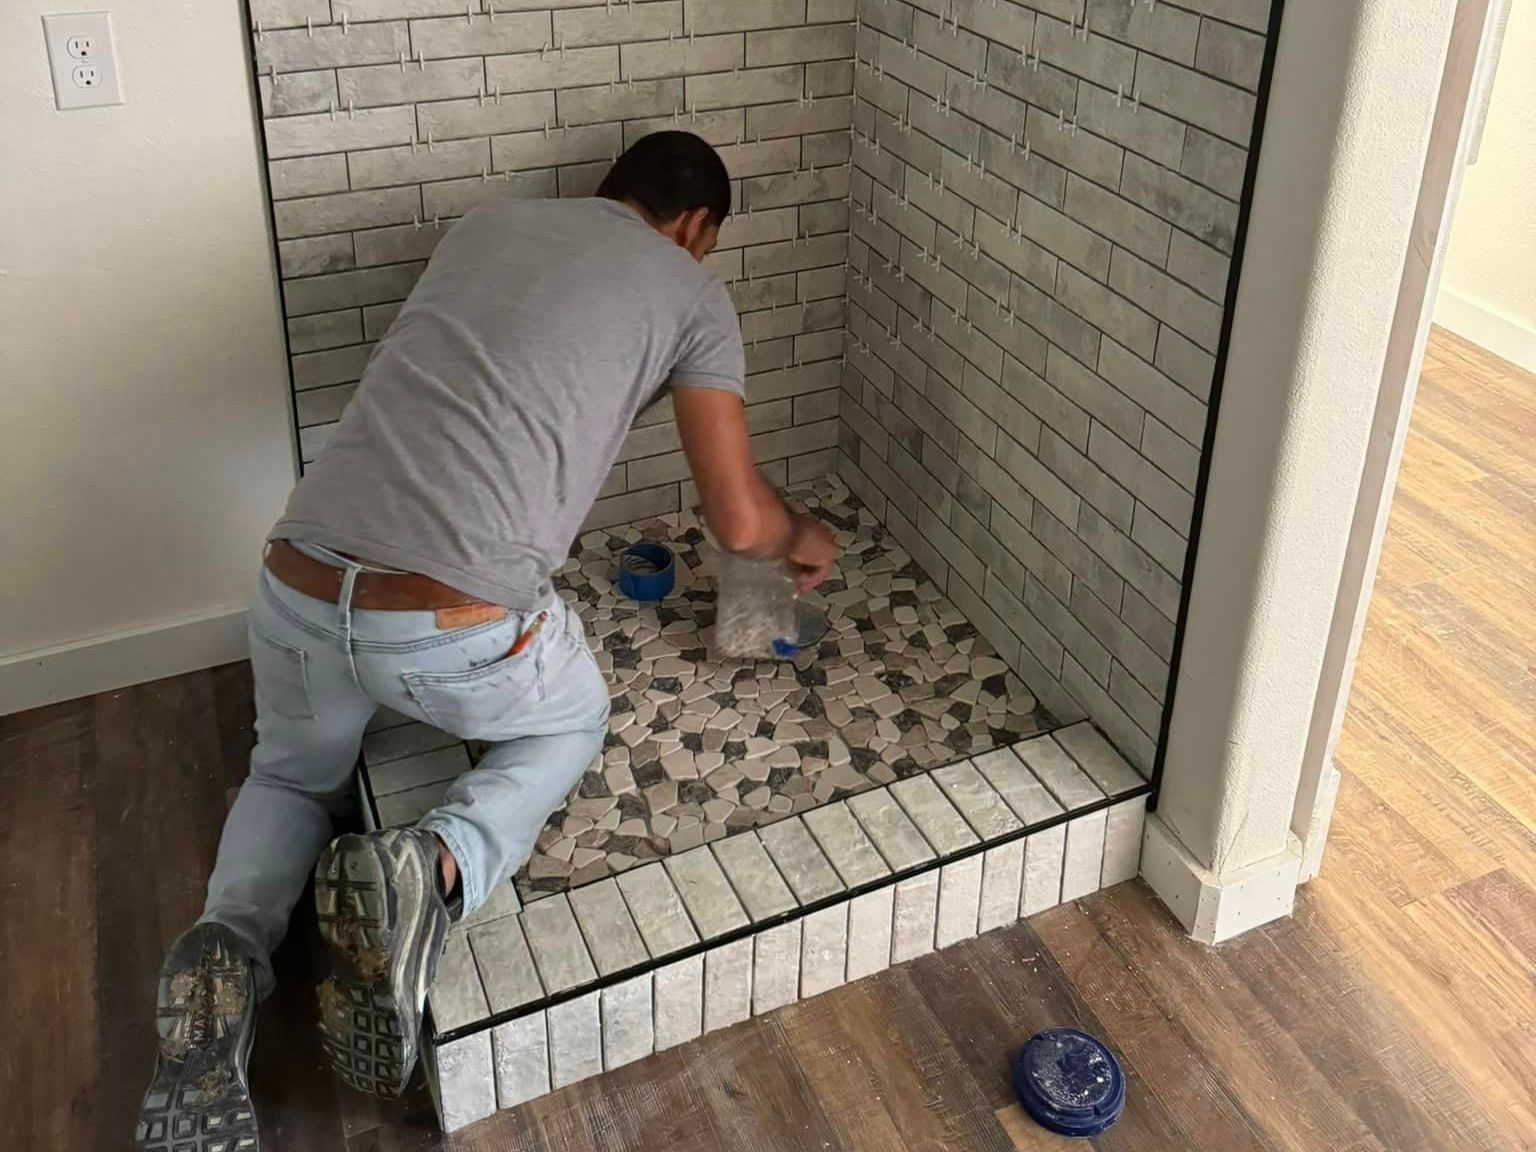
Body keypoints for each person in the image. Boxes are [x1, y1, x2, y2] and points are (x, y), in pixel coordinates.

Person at [133, 131, 839, 1150]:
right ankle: (433, 869)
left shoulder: (485, 228)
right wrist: (800, 534)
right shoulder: (691, 290)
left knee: (288, 776)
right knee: (571, 720)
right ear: (695, 226)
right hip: (447, 625)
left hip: (297, 581)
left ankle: (225, 948)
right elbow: (737, 520)